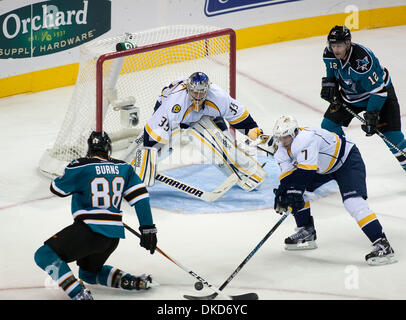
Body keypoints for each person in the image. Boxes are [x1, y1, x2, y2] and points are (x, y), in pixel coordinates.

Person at [34, 131, 158, 300]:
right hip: (112, 237)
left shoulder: (80, 165)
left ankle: (78, 294)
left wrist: (71, 170)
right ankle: (132, 281)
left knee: (44, 255)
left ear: (89, 149)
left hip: (88, 231)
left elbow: (57, 189)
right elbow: (140, 198)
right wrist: (148, 229)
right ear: (108, 149)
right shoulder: (124, 168)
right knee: (88, 273)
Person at [272, 115, 396, 266]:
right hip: (324, 167)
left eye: (286, 137)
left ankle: (382, 243)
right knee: (292, 191)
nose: (283, 141)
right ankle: (307, 231)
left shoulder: (306, 139)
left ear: (294, 133)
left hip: (346, 161)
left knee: (353, 202)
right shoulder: (281, 148)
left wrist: (294, 192)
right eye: (279, 137)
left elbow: (306, 172)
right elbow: (287, 177)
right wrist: (281, 195)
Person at [123, 71, 268, 192]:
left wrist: (252, 129)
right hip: (175, 114)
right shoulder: (175, 104)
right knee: (160, 147)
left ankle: (245, 173)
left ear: (207, 89)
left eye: (201, 92)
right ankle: (134, 176)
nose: (198, 96)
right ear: (188, 89)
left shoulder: (218, 96)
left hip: (206, 114)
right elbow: (155, 131)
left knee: (224, 143)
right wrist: (148, 154)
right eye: (194, 92)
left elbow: (237, 114)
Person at [320, 25, 406, 172]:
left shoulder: (362, 62)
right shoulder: (329, 53)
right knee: (328, 127)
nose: (335, 49)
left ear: (347, 44)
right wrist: (330, 84)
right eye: (333, 45)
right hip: (350, 96)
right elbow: (331, 70)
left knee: (392, 135)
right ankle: (345, 161)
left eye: (339, 45)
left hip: (379, 96)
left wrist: (372, 115)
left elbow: (379, 91)